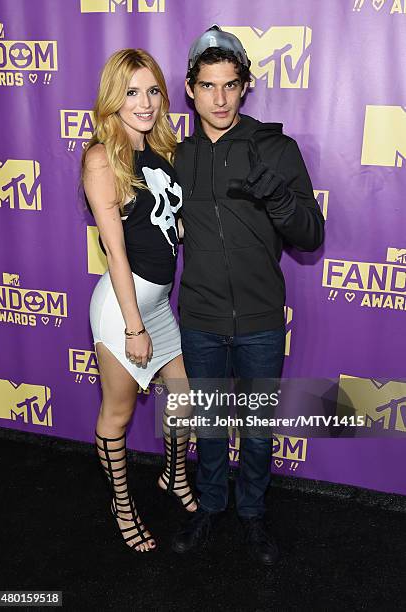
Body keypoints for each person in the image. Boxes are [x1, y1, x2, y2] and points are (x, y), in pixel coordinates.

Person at [172, 26, 325, 565]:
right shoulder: (177, 155)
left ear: (245, 87)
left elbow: (311, 234)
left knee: (257, 432)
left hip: (260, 319)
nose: (219, 98)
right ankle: (212, 508)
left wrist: (278, 197)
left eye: (230, 85)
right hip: (200, 317)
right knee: (211, 427)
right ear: (190, 89)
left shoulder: (274, 148)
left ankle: (254, 516)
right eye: (207, 85)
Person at [82, 48, 196, 554]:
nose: (145, 102)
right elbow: (117, 251)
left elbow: (168, 225)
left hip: (158, 303)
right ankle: (122, 506)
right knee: (120, 415)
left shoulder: (163, 153)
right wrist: (133, 326)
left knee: (185, 402)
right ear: (113, 98)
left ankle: (173, 478)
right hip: (123, 306)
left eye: (152, 91)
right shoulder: (102, 157)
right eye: (132, 92)